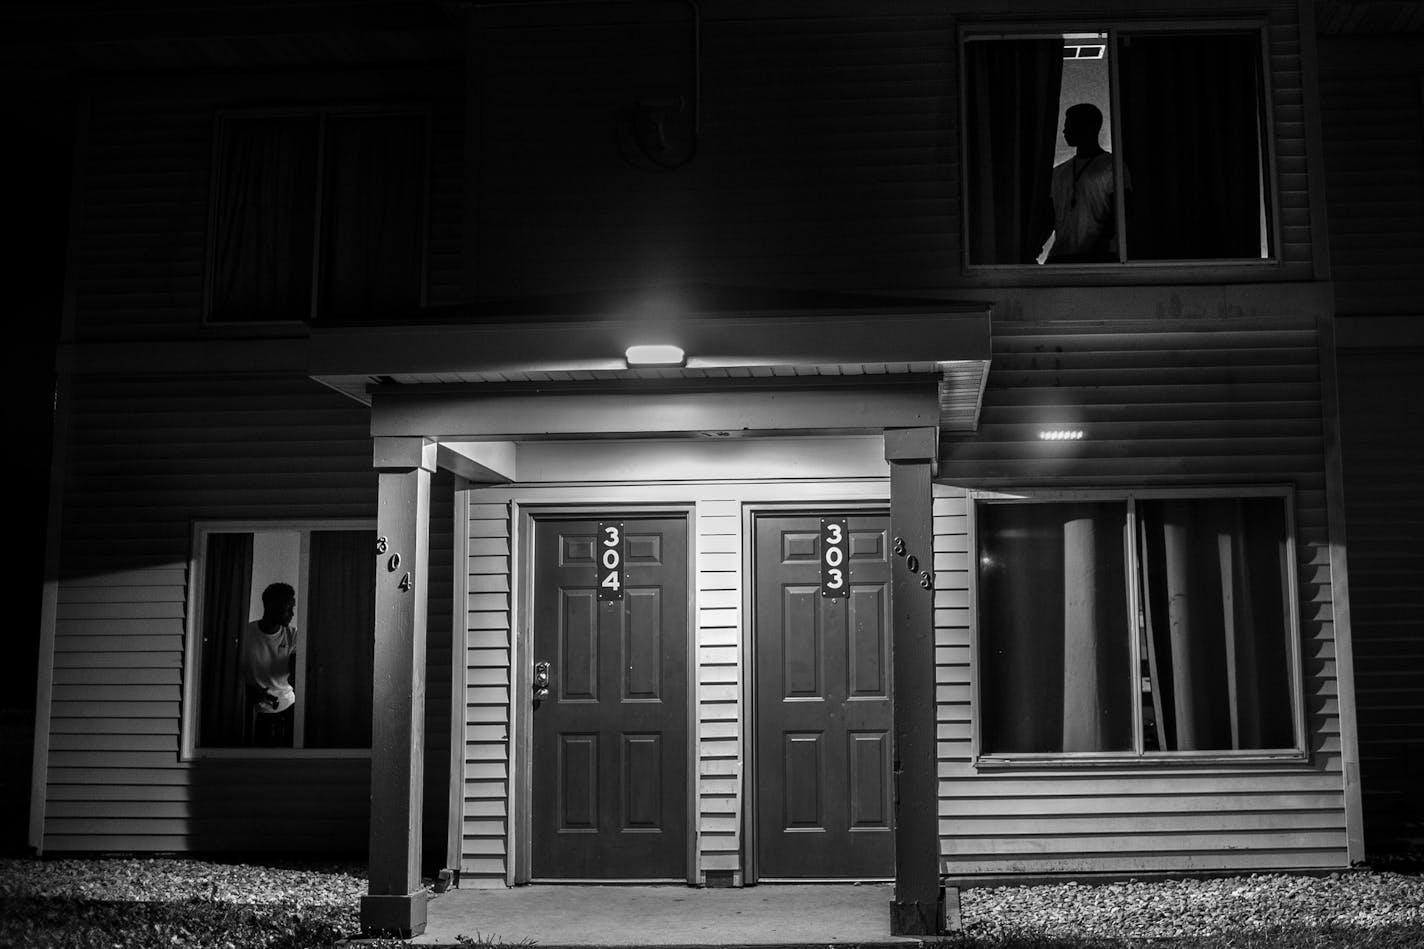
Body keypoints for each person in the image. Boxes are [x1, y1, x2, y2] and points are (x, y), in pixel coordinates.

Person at [1043, 103, 1123, 263]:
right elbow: (1049, 219)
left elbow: (1122, 213)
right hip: (1061, 257)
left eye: (1070, 125)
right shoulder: (1058, 173)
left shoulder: (1113, 168)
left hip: (1097, 257)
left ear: (1089, 127)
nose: (1064, 131)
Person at [241, 581, 298, 747]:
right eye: (288, 607)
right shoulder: (246, 633)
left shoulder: (293, 635)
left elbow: (296, 671)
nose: (292, 614)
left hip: (289, 706)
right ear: (271, 606)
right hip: (257, 710)